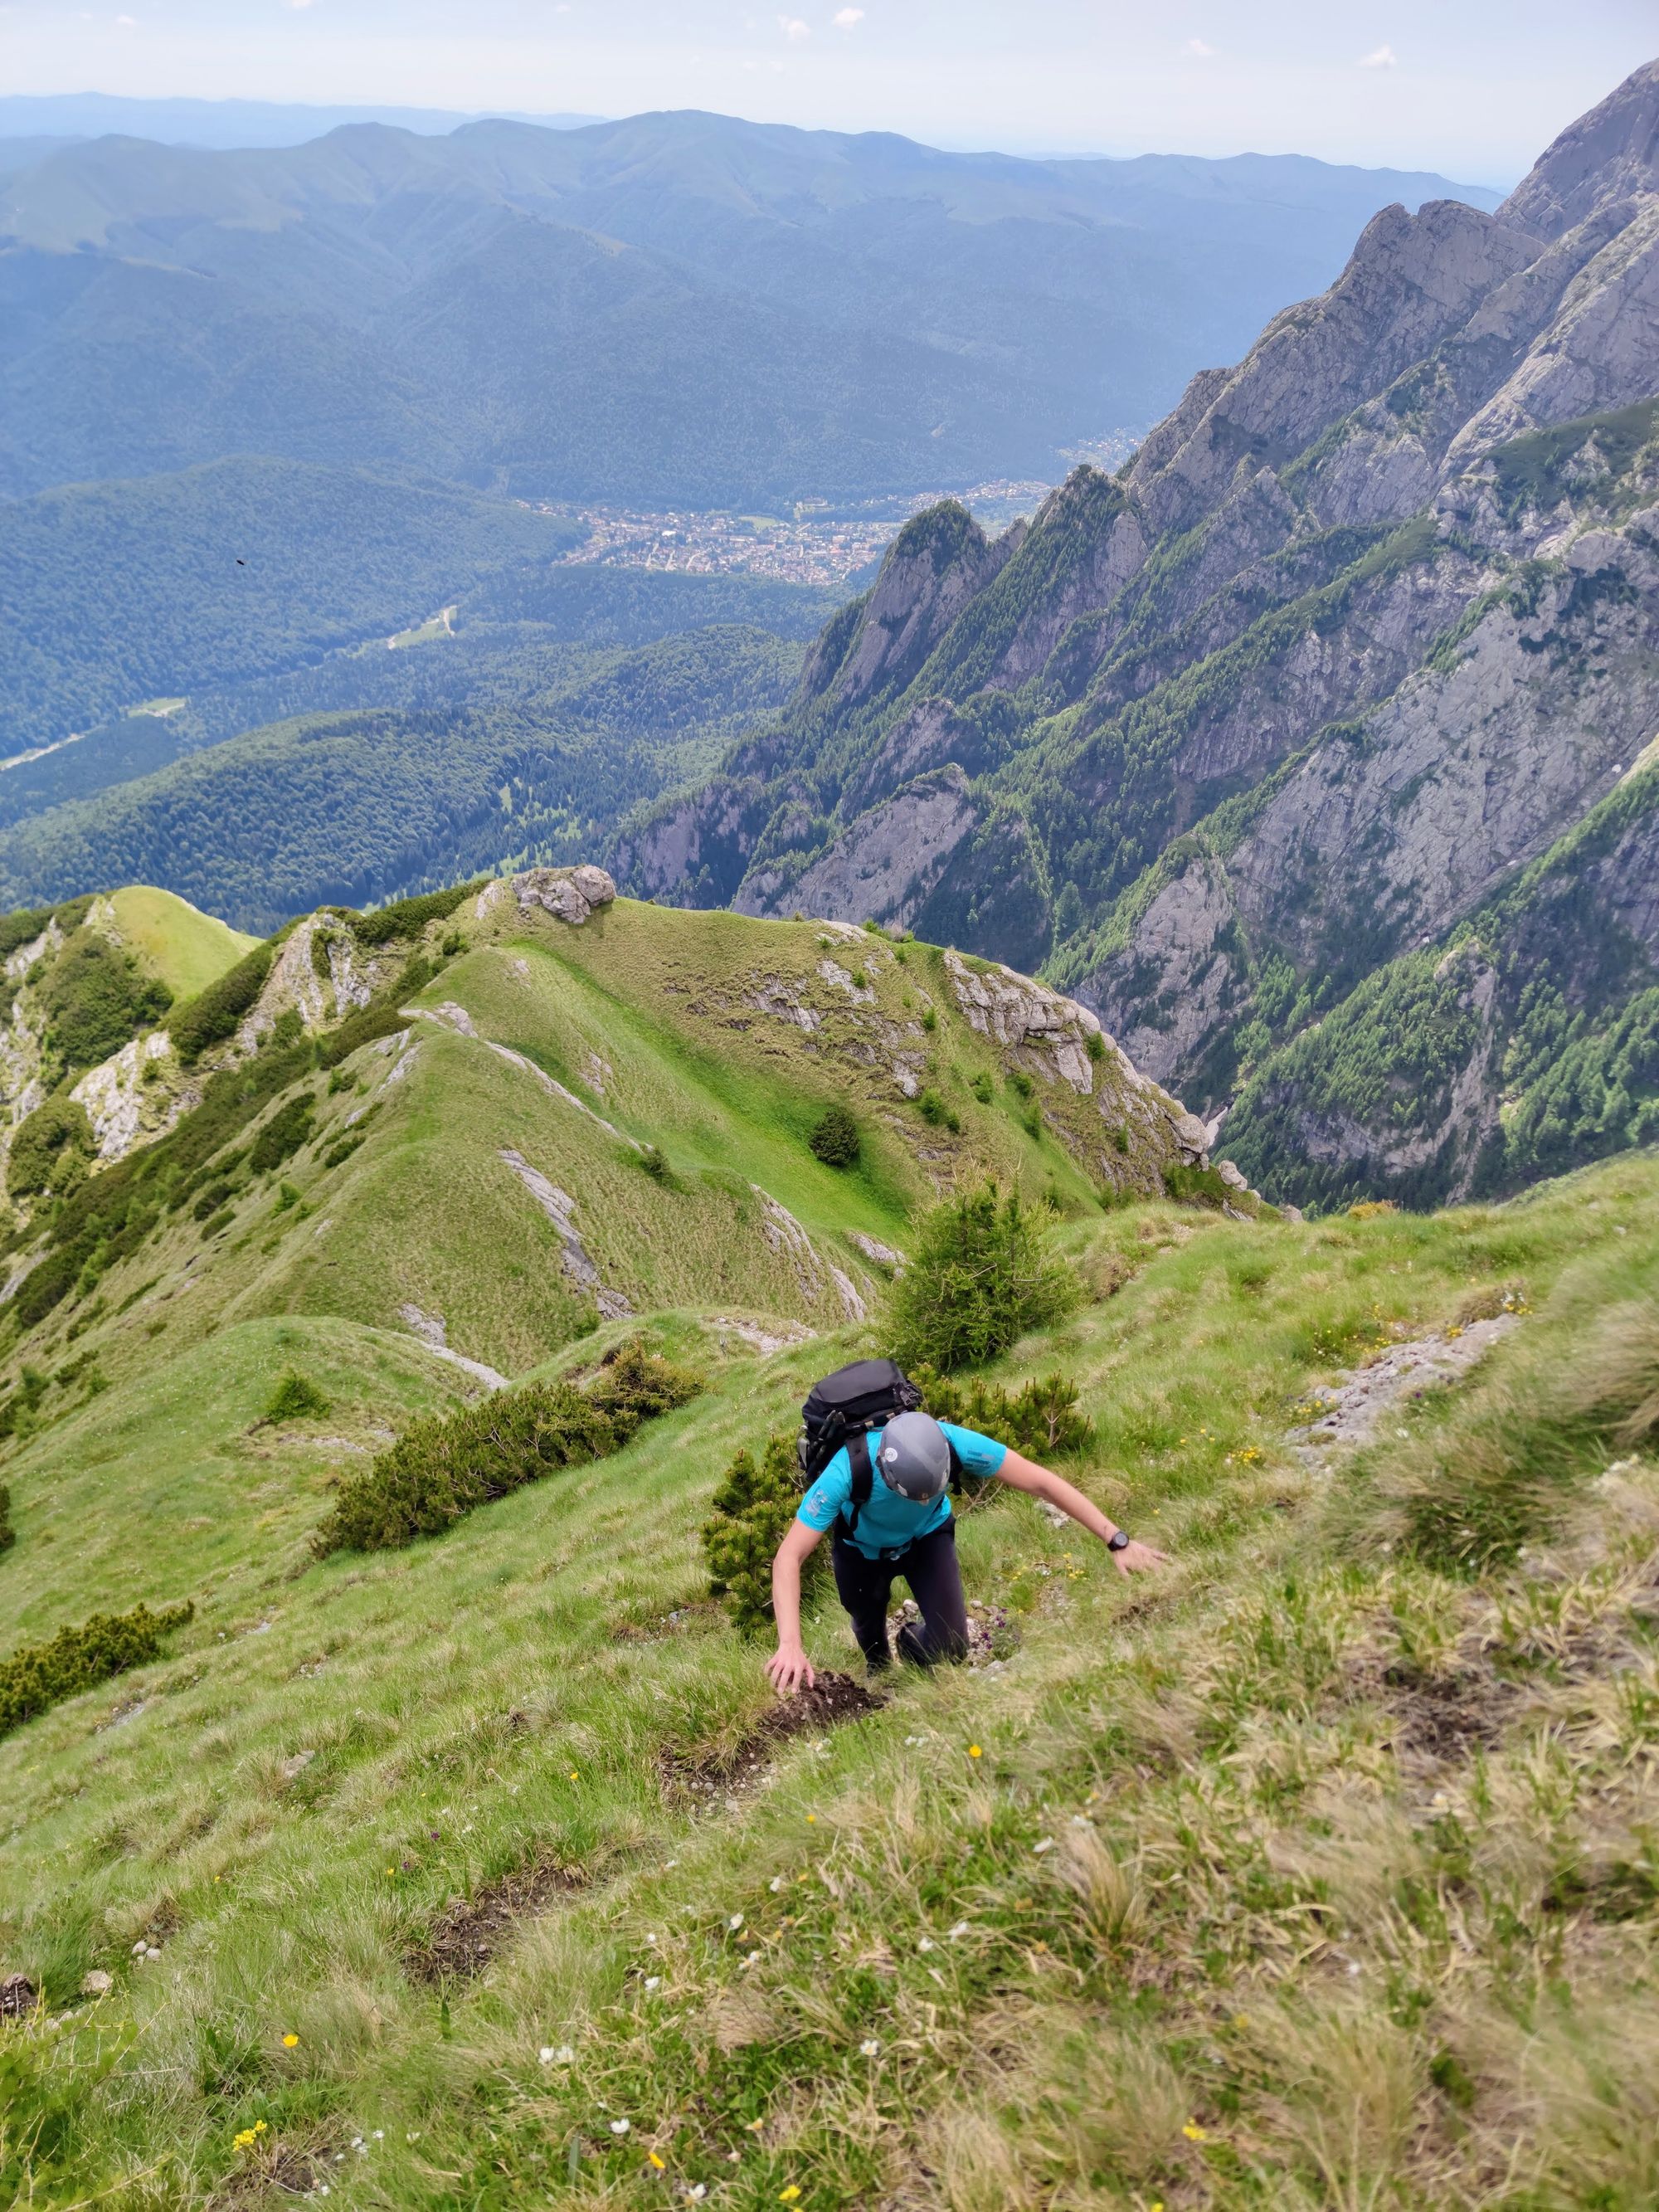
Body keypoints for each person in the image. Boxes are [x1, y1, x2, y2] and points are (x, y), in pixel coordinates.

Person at [766, 1406, 1167, 1692]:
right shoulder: (846, 1470)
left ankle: (910, 1643)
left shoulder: (954, 1441)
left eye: (930, 1492)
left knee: (952, 1648)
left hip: (928, 1540)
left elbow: (1040, 1481)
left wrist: (1117, 1539)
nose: (922, 1500)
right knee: (869, 1633)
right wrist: (790, 1644)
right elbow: (789, 1557)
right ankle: (880, 1671)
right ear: (887, 1474)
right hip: (862, 1553)